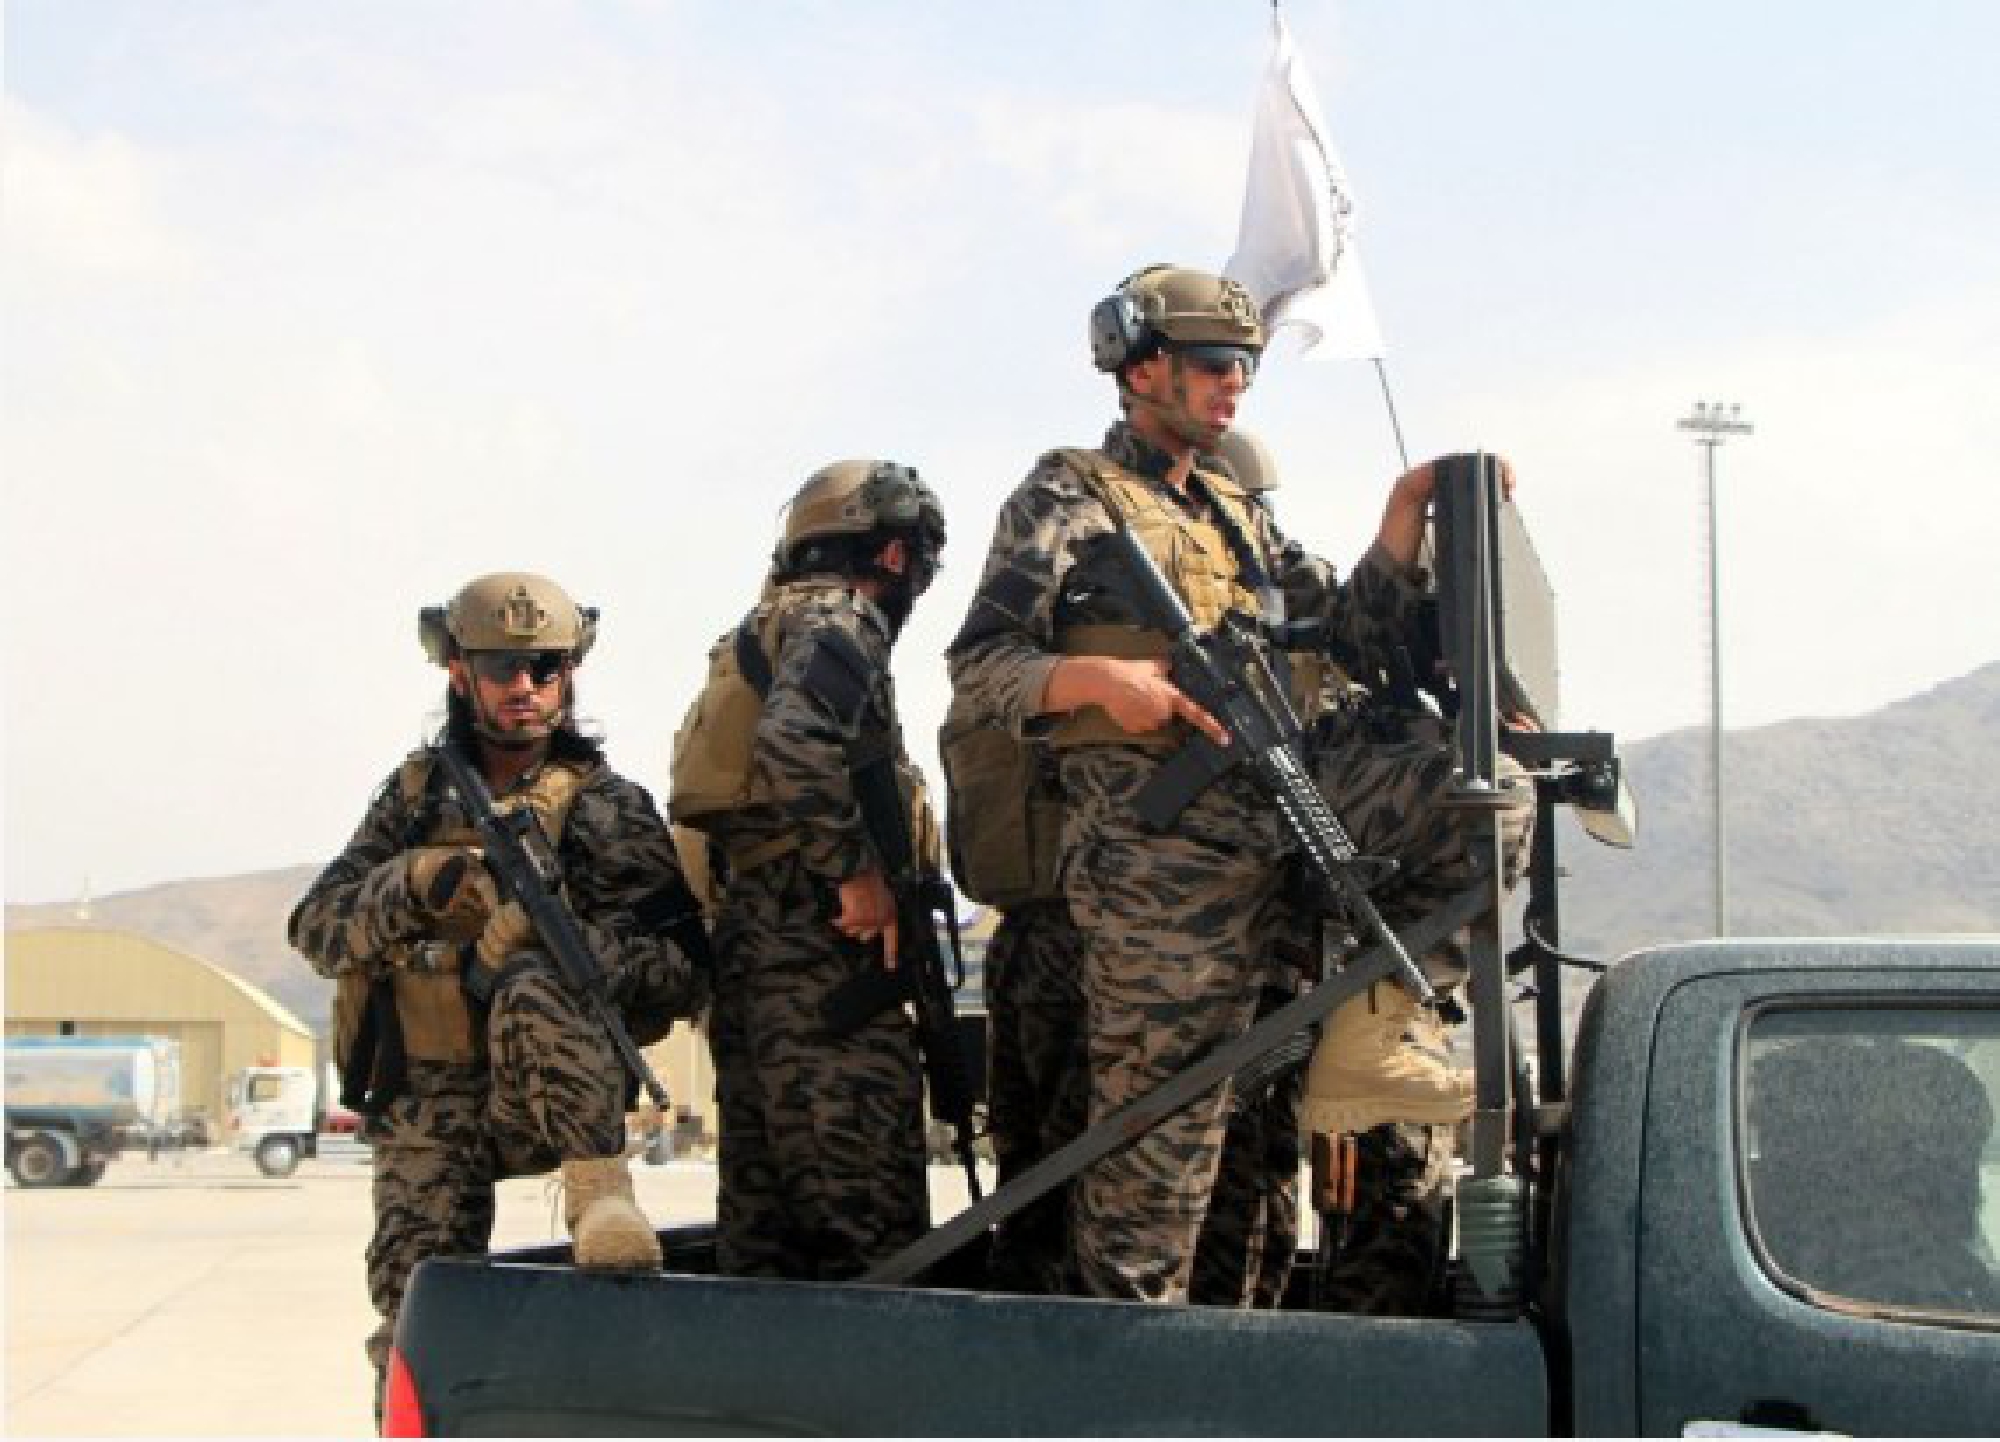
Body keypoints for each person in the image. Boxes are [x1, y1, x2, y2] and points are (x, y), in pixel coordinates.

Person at [946, 263, 1465, 1304]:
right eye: (1215, 363)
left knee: (1466, 797)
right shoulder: (1069, 495)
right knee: (1161, 1149)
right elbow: (981, 662)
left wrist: (1405, 514)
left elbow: (1350, 635)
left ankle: (1376, 1025)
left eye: (1246, 367)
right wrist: (1098, 681)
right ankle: (1126, 1360)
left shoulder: (1232, 510)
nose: (1236, 384)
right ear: (1141, 368)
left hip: (1271, 838)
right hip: (1157, 864)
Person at [288, 571, 710, 1413]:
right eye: (502, 668)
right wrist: (414, 884)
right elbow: (317, 929)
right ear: (459, 673)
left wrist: (572, 944)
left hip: (551, 1095)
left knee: (607, 1305)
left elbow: (683, 969)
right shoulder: (414, 799)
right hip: (427, 1100)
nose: (526, 686)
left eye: (546, 667)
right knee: (415, 1320)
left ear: (570, 673)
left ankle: (598, 1193)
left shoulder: (607, 807)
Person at [671, 458, 948, 1280]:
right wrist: (854, 873)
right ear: (892, 554)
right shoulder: (841, 618)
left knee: (764, 1228)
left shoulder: (757, 632)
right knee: (870, 1229)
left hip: (755, 945)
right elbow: (794, 742)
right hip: (824, 950)